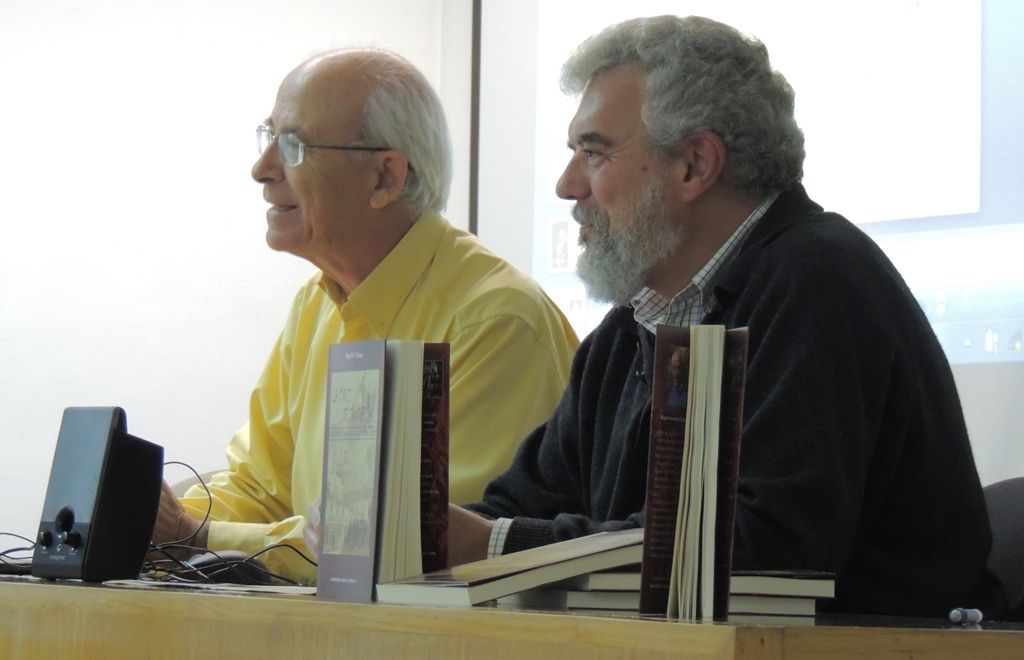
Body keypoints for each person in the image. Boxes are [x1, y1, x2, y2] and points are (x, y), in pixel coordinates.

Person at [448, 15, 1007, 618]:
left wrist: (499, 547)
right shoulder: (626, 333)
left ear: (694, 164)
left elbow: (765, 549)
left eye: (594, 152)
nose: (565, 185)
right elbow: (519, 506)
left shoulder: (819, 280)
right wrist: (426, 534)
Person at [152, 49, 579, 584]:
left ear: (384, 177)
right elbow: (259, 488)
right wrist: (152, 522)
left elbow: (415, 550)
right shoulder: (316, 304)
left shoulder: (497, 323)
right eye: (269, 137)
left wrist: (195, 536)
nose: (262, 170)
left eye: (293, 146)